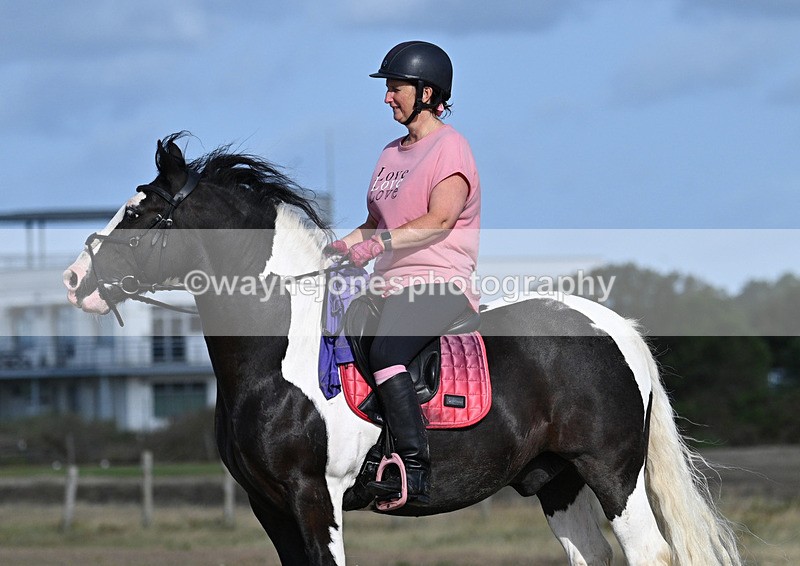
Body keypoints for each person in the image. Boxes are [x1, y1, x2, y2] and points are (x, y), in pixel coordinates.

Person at [327, 40, 481, 506]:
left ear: (427, 93)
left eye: (396, 88)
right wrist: (335, 248)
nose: (388, 97)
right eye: (388, 89)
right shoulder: (389, 154)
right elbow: (373, 223)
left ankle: (413, 468)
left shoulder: (451, 148)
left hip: (439, 281)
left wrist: (377, 245)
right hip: (386, 285)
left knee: (387, 351)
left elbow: (439, 220)